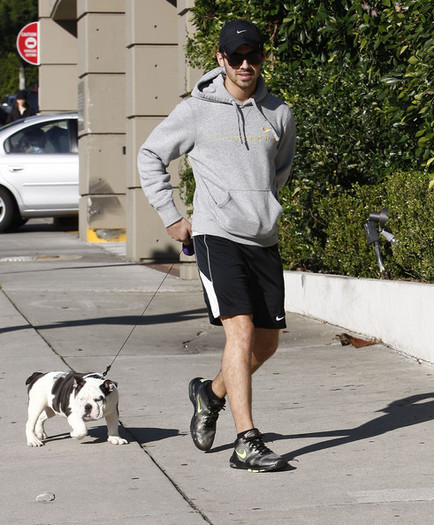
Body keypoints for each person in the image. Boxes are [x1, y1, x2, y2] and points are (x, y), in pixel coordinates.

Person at [138, 19, 296, 472]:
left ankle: (209, 395)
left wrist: (264, 205)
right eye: (237, 56)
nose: (246, 65)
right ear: (221, 58)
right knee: (239, 331)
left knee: (265, 345)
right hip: (215, 234)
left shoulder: (280, 113)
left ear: (263, 58)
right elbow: (150, 155)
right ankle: (247, 440)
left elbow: (278, 171)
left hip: (263, 236)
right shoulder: (196, 110)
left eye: (255, 56)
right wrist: (171, 215)